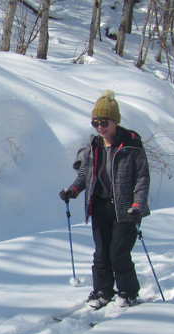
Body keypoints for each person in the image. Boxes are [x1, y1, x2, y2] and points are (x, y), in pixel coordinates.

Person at [59, 90, 150, 309]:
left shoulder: (131, 145)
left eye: (104, 122)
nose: (100, 126)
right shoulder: (94, 145)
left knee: (118, 253)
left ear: (115, 121)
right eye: (95, 122)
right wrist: (73, 190)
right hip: (99, 206)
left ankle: (128, 293)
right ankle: (103, 291)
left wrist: (137, 205)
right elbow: (85, 175)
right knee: (101, 254)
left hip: (126, 209)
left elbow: (142, 178)